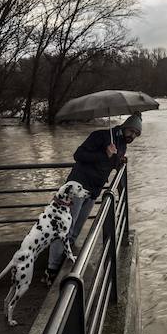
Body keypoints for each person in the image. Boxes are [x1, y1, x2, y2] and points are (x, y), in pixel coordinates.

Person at [44, 112, 142, 284]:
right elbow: (78, 156)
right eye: (131, 131)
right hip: (76, 187)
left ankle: (62, 264)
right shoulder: (100, 136)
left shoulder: (121, 144)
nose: (132, 136)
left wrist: (119, 161)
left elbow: (111, 163)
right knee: (64, 228)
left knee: (75, 229)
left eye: (136, 133)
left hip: (93, 191)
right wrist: (105, 154)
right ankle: (50, 270)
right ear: (124, 127)